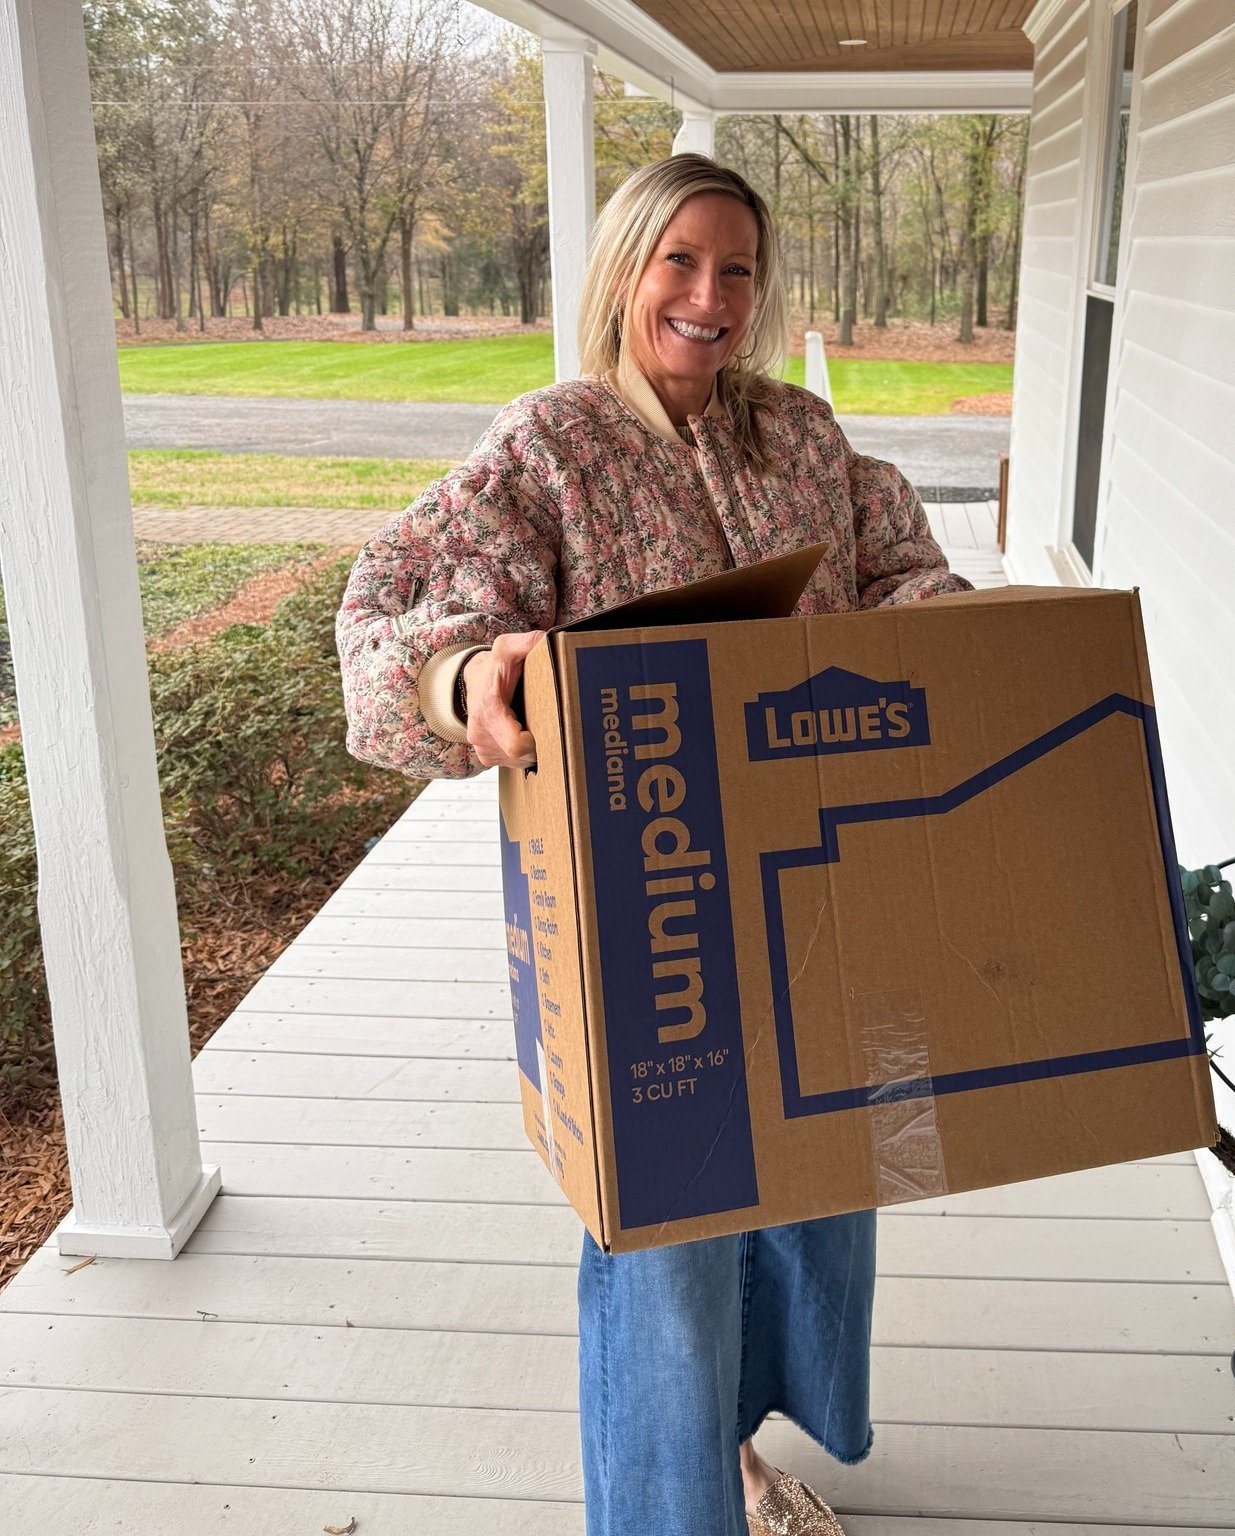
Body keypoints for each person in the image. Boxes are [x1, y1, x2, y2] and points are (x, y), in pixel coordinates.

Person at [336, 152, 975, 1536]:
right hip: (648, 914)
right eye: (679, 261)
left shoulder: (801, 436)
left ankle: (736, 1454)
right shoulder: (551, 446)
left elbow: (901, 570)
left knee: (811, 1195)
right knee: (668, 1234)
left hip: (818, 886)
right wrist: (464, 677)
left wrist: (937, 621)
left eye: (737, 268)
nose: (710, 295)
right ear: (625, 270)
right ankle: (668, 1510)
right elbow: (392, 608)